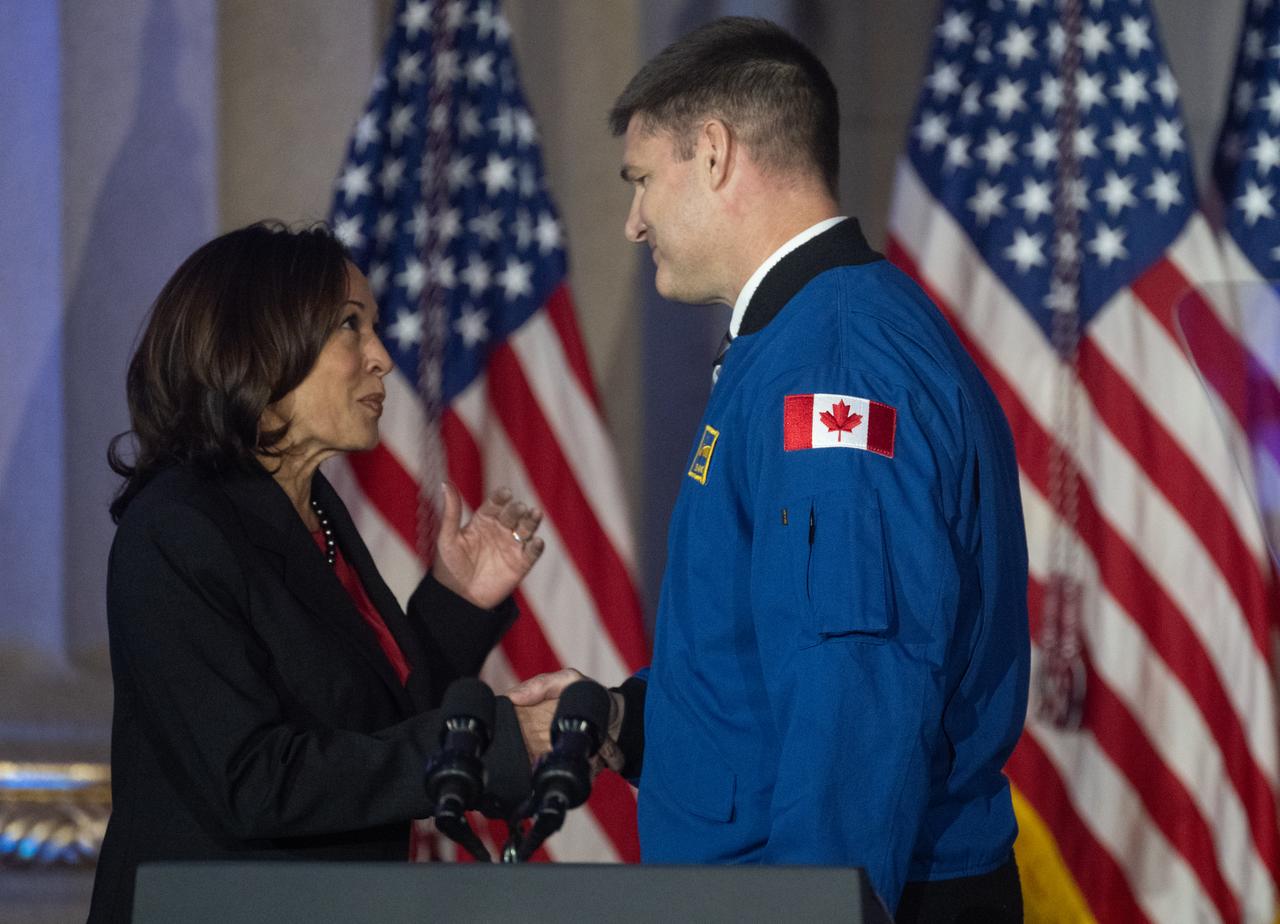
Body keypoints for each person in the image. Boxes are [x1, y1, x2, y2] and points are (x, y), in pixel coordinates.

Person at [509, 17, 1029, 921]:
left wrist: (809, 910)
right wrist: (632, 725)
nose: (633, 223)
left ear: (711, 153)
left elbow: (854, 694)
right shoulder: (801, 341)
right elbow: (771, 661)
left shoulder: (833, 367)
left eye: (641, 181)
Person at [89, 222, 550, 923]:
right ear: (259, 344)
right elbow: (254, 779)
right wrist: (488, 741)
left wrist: (456, 601)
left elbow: (369, 722)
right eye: (350, 327)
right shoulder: (178, 528)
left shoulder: (313, 510)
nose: (383, 359)